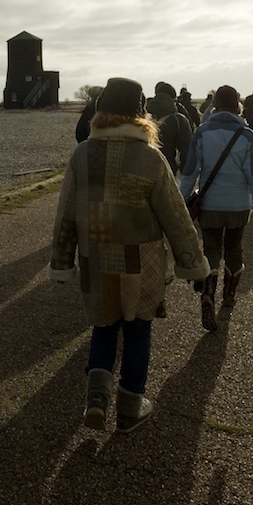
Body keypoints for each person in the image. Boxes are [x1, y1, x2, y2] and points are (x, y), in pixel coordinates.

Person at [49, 78, 210, 434]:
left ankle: (96, 401)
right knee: (138, 332)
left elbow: (67, 214)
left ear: (101, 111)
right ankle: (130, 407)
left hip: (94, 261)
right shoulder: (150, 158)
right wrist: (193, 263)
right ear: (141, 114)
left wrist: (62, 262)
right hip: (142, 263)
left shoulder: (82, 154)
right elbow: (175, 216)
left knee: (103, 328)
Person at [180, 86, 253, 332]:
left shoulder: (202, 132)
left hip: (210, 205)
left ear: (215, 105)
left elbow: (189, 174)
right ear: (238, 104)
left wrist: (179, 202)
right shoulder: (247, 135)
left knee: (211, 248)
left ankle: (208, 293)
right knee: (233, 247)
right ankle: (229, 296)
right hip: (239, 206)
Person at [144, 81, 193, 175]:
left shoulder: (143, 117)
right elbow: (186, 151)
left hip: (145, 170)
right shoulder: (179, 120)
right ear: (173, 99)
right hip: (169, 171)